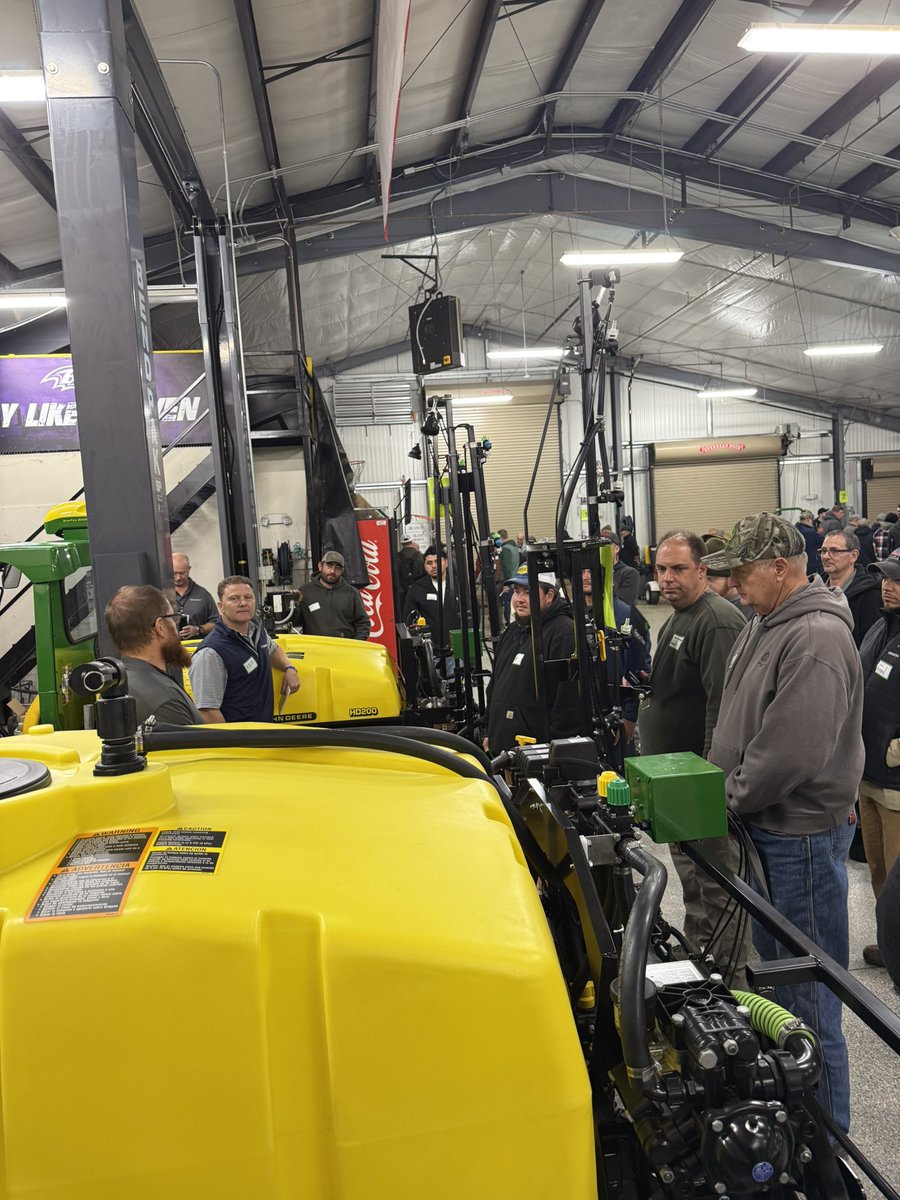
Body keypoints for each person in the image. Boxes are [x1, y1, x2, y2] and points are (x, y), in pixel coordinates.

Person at [703, 512, 864, 1132]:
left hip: (799, 837)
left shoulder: (816, 636)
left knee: (809, 1001)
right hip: (767, 831)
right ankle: (796, 1134)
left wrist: (730, 796)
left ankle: (832, 1160)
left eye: (742, 572)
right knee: (777, 997)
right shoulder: (766, 621)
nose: (733, 584)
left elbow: (792, 751)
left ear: (779, 568)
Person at [638, 531, 752, 982]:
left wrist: (711, 786)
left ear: (703, 571)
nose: (667, 578)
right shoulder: (679, 617)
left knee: (719, 891)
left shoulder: (716, 621)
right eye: (662, 569)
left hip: (701, 787)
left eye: (679, 569)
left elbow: (721, 710)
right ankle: (701, 968)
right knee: (695, 884)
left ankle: (731, 986)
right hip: (678, 785)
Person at [857, 549, 900, 968]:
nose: (888, 586)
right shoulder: (879, 628)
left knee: (898, 875)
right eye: (885, 578)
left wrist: (894, 749)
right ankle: (891, 944)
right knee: (878, 871)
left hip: (896, 782)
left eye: (897, 579)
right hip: (868, 773)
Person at [485, 564, 578, 753]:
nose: (519, 599)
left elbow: (567, 703)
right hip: (503, 751)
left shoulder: (563, 633)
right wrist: (489, 730)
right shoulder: (513, 630)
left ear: (549, 595)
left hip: (535, 757)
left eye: (527, 592)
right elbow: (494, 685)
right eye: (516, 592)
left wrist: (553, 753)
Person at [190, 575, 301, 722]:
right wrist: (235, 743)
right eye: (234, 599)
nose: (243, 603)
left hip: (263, 731)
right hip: (241, 740)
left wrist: (289, 668)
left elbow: (273, 649)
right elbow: (208, 712)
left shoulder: (257, 631)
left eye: (248, 597)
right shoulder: (211, 653)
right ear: (220, 606)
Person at [105, 585, 203, 725]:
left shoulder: (121, 683)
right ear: (160, 627)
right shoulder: (166, 703)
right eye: (173, 618)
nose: (176, 627)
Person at [820, 528, 881, 648]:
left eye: (834, 551)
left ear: (853, 556)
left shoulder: (869, 594)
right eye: (823, 551)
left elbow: (870, 644)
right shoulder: (813, 588)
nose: (826, 557)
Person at [295, 551, 371, 640]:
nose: (332, 571)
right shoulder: (305, 591)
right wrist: (295, 606)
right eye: (329, 565)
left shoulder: (352, 593)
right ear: (320, 566)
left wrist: (356, 644)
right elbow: (296, 623)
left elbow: (363, 623)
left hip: (345, 648)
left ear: (342, 571)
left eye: (337, 568)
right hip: (315, 649)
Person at [403, 545, 459, 653]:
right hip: (430, 652)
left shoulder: (458, 585)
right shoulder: (417, 588)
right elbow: (408, 619)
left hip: (457, 649)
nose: (433, 566)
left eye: (437, 561)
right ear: (424, 565)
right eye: (429, 563)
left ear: (446, 563)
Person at [703, 536, 751, 620]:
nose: (705, 585)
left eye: (710, 579)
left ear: (730, 578)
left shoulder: (749, 609)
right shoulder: (706, 605)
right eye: (702, 579)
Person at [172, 553, 217, 639]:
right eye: (174, 573)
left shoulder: (203, 594)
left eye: (182, 573)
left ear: (189, 569)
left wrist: (198, 629)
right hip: (169, 648)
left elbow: (216, 623)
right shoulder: (162, 595)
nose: (178, 578)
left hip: (196, 647)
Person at [605, 531, 640, 609]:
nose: (601, 551)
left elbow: (622, 604)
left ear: (616, 548)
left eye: (605, 547)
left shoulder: (629, 574)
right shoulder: (590, 574)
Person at [497, 530, 521, 625]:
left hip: (509, 581)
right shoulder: (514, 547)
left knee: (508, 605)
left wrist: (506, 584)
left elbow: (506, 567)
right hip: (515, 579)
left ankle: (509, 625)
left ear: (501, 538)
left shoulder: (505, 549)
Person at [397, 537, 424, 609]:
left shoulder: (396, 557)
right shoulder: (420, 556)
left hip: (401, 593)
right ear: (411, 542)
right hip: (418, 590)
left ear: (402, 544)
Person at [794, 510, 822, 577]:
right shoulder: (810, 532)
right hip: (810, 562)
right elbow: (822, 540)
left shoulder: (796, 529)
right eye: (812, 520)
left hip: (798, 562)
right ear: (808, 519)